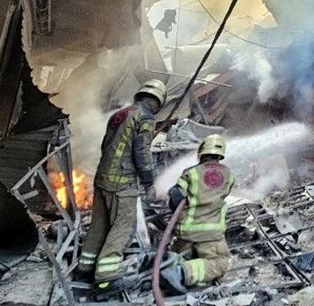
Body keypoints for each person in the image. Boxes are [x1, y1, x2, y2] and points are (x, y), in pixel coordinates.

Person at [77, 79, 167, 288]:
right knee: (123, 226)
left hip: (102, 179)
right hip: (122, 183)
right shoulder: (145, 117)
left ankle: (85, 266)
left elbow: (105, 145)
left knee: (99, 225)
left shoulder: (120, 114)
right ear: (158, 101)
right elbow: (142, 152)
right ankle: (106, 275)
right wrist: (148, 183)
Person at [160, 133, 234, 292]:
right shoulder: (229, 174)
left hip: (185, 231)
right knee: (219, 264)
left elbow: (175, 197)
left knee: (181, 256)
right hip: (211, 234)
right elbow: (224, 193)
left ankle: (179, 271)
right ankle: (181, 273)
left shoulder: (190, 173)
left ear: (202, 150)